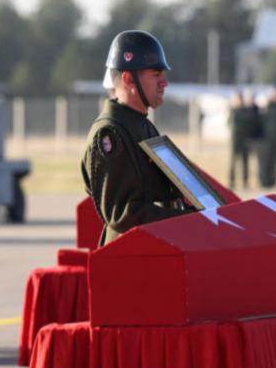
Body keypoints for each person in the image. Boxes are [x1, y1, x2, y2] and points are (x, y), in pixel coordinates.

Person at [81, 30, 193, 246]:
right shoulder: (110, 134)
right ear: (128, 79)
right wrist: (188, 220)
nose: (164, 83)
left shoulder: (141, 125)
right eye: (156, 75)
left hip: (155, 253)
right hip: (129, 263)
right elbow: (123, 214)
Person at [228, 90, 259, 189]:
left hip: (245, 140)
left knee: (245, 161)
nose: (239, 101)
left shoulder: (247, 111)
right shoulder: (232, 111)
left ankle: (245, 182)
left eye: (240, 99)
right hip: (235, 140)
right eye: (237, 99)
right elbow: (229, 124)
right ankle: (232, 181)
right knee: (233, 162)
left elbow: (252, 120)